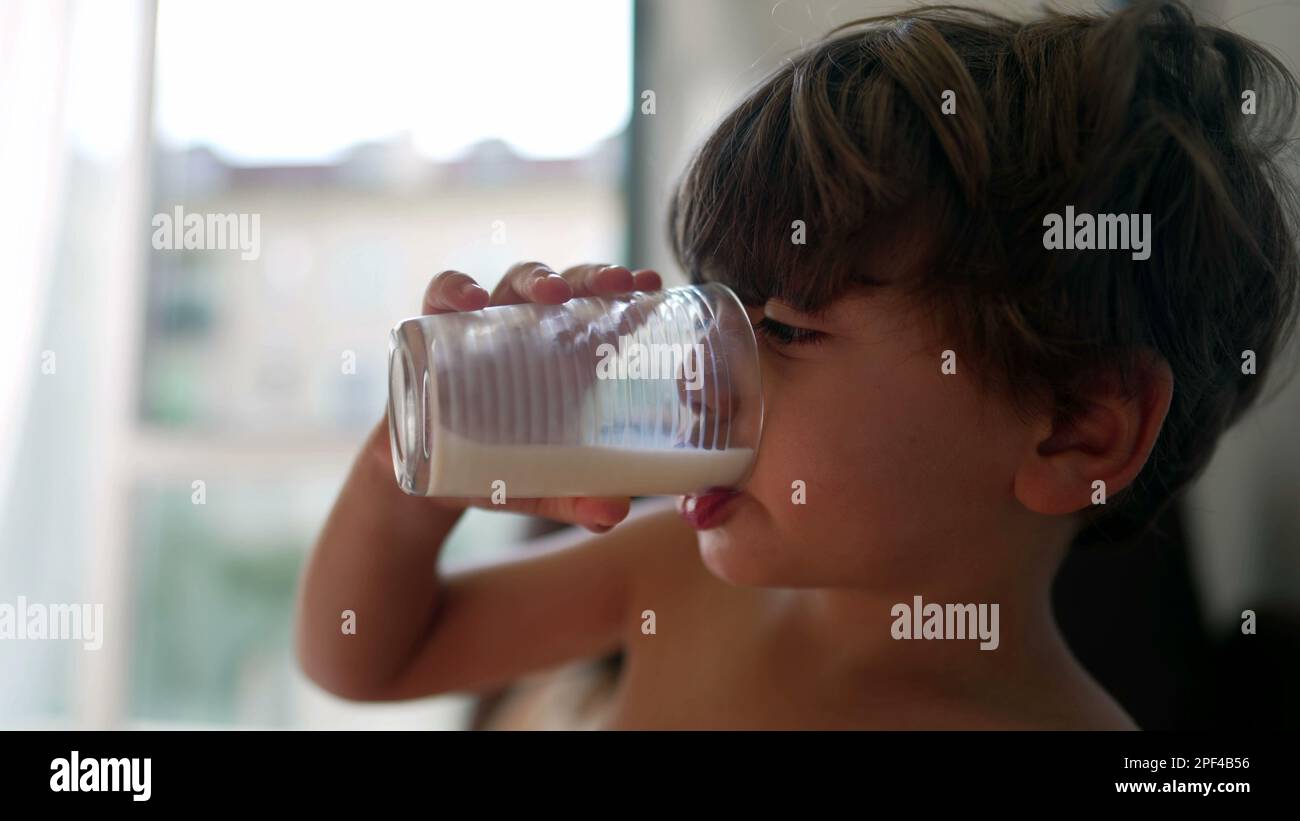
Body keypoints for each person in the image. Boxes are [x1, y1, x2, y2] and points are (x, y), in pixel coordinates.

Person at [295, 1, 1299, 729]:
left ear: (1075, 423)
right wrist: (408, 464)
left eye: (779, 330)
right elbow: (371, 654)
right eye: (709, 308)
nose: (693, 372)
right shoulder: (673, 574)